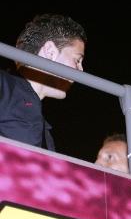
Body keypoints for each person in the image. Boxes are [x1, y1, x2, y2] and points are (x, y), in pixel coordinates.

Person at [0, 13, 86, 151]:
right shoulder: (4, 86)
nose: (80, 70)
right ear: (50, 52)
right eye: (77, 60)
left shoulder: (45, 131)